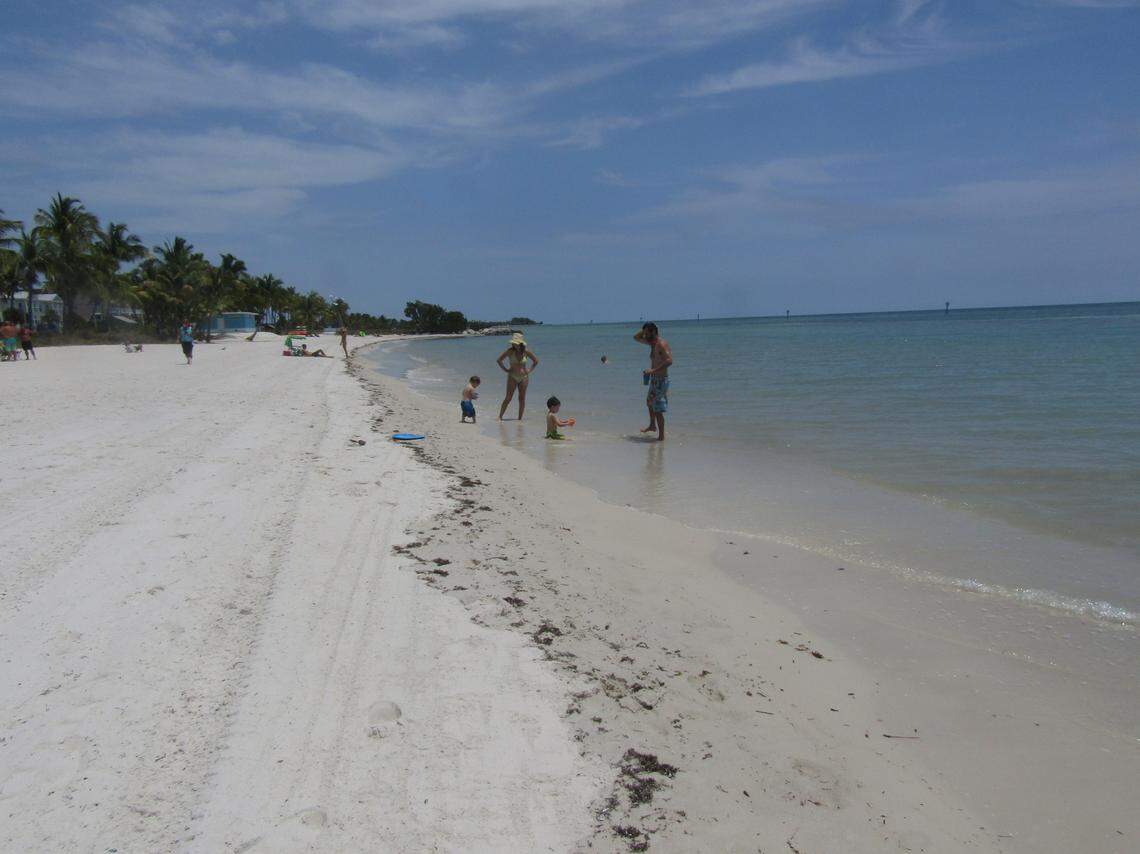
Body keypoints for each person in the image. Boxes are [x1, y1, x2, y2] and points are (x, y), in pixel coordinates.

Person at [634, 321, 672, 441]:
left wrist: (653, 370)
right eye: (644, 333)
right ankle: (652, 425)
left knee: (657, 409)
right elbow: (636, 337)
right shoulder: (652, 343)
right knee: (649, 402)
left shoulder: (661, 344)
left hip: (661, 381)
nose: (645, 336)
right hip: (655, 379)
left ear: (654, 332)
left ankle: (661, 437)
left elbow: (669, 360)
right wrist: (645, 329)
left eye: (647, 333)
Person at [497, 332, 539, 420]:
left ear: (520, 343)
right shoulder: (510, 351)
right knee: (508, 398)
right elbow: (499, 360)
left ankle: (520, 419)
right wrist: (506, 369)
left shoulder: (526, 351)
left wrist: (529, 370)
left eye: (516, 343)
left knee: (522, 398)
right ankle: (500, 416)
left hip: (524, 377)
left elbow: (536, 361)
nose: (514, 344)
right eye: (513, 343)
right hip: (512, 376)